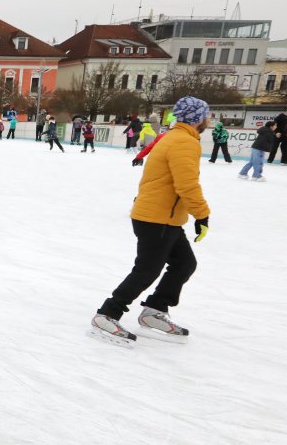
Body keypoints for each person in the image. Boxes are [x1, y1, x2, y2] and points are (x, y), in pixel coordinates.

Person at [90, 96, 212, 347]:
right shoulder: (184, 142)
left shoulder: (174, 137)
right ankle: (108, 313)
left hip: (164, 217)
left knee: (184, 264)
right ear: (198, 117)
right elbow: (187, 184)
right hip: (156, 218)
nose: (208, 119)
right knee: (147, 270)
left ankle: (155, 309)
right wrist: (202, 214)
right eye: (207, 114)